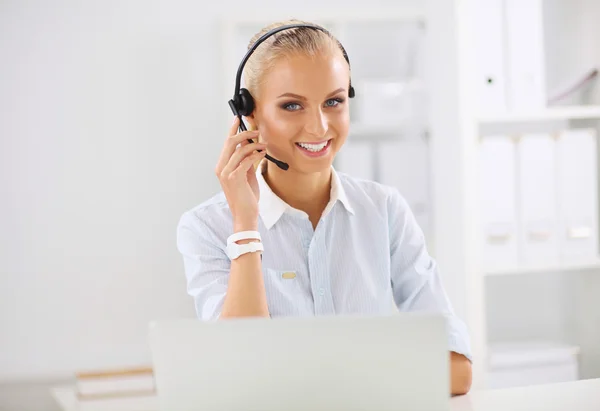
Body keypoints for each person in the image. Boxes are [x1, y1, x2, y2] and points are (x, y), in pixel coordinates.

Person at [176, 19, 472, 395]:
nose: (318, 128)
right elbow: (240, 375)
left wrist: (308, 380)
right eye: (292, 106)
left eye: (333, 101)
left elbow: (457, 369)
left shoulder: (384, 210)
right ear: (248, 115)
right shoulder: (206, 227)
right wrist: (246, 225)